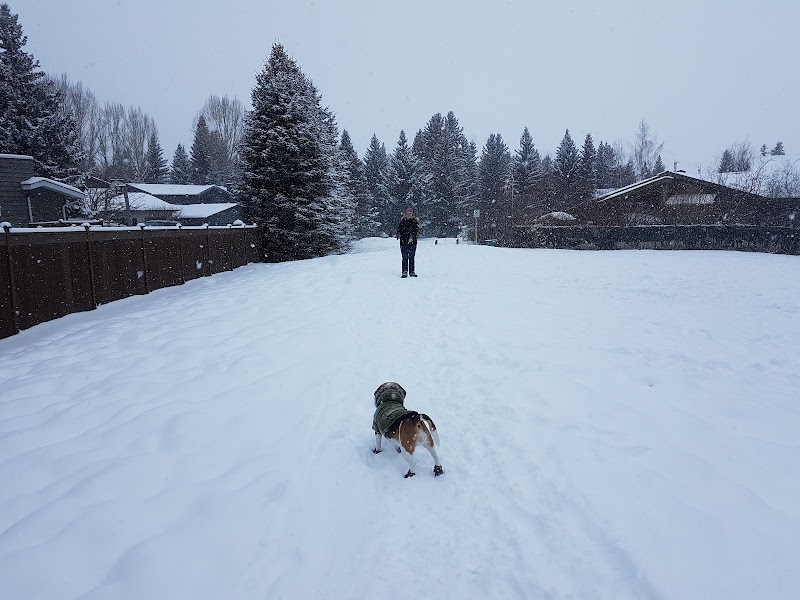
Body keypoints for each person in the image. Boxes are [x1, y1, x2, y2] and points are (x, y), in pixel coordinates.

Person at [396, 207, 419, 277]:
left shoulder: (415, 222)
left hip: (412, 242)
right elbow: (399, 229)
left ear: (412, 214)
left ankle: (412, 272)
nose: (409, 214)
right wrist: (398, 234)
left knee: (411, 257)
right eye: (408, 213)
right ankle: (404, 271)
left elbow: (415, 231)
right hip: (403, 242)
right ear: (405, 214)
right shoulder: (402, 221)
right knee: (405, 257)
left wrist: (411, 237)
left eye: (410, 213)